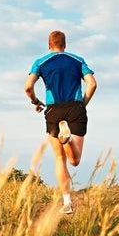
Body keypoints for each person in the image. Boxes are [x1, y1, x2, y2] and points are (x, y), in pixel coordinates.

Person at [24, 30, 97, 214]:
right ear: (65, 44)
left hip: (53, 111)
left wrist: (35, 101)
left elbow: (28, 87)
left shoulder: (40, 62)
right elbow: (93, 84)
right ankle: (69, 139)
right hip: (75, 108)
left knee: (59, 159)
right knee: (75, 160)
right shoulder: (78, 60)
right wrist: (83, 104)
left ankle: (67, 203)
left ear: (49, 45)